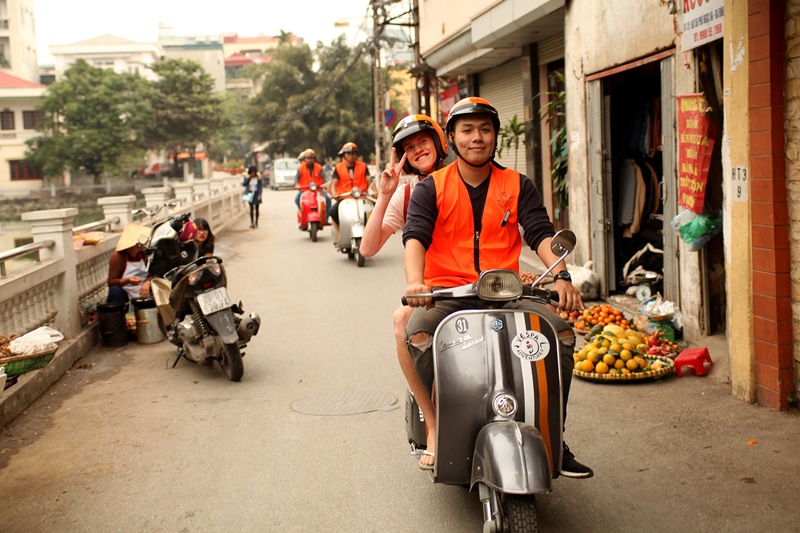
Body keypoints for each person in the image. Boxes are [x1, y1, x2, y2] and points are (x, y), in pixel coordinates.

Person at [402, 97, 593, 478]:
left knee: (563, 335)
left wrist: (561, 274)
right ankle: (437, 421)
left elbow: (539, 230)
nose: (478, 138)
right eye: (468, 130)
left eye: (485, 129)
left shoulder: (517, 184)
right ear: (453, 139)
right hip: (447, 294)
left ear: (495, 136)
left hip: (506, 292)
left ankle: (555, 434)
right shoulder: (431, 187)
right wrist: (415, 282)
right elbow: (415, 236)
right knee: (417, 331)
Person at [360, 114, 448, 469]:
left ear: (440, 142)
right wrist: (385, 195)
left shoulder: (467, 175)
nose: (418, 150)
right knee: (402, 322)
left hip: (484, 283)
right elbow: (368, 248)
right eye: (410, 148)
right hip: (432, 293)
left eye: (423, 142)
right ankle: (433, 421)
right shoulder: (408, 191)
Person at [329, 142, 370, 244]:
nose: (351, 156)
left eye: (353, 153)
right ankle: (339, 237)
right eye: (349, 154)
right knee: (333, 213)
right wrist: (334, 193)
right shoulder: (338, 167)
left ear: (357, 155)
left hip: (362, 197)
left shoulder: (363, 166)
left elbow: (369, 180)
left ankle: (372, 237)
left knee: (374, 212)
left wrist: (376, 191)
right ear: (344, 155)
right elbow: (333, 184)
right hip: (345, 199)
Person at [107, 223, 151, 304]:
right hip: (125, 291)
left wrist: (148, 282)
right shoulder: (118, 257)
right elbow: (111, 282)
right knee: (115, 290)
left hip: (143, 289)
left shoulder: (144, 254)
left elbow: (155, 272)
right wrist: (127, 280)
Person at [293, 149, 331, 218]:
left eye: (311, 158)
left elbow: (324, 177)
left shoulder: (319, 167)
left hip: (318, 189)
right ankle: (303, 213)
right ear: (305, 159)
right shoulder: (300, 168)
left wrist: (326, 184)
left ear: (314, 158)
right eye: (308, 158)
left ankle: (325, 218)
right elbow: (296, 178)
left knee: (328, 200)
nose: (310, 160)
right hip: (305, 189)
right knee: (297, 199)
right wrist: (297, 184)